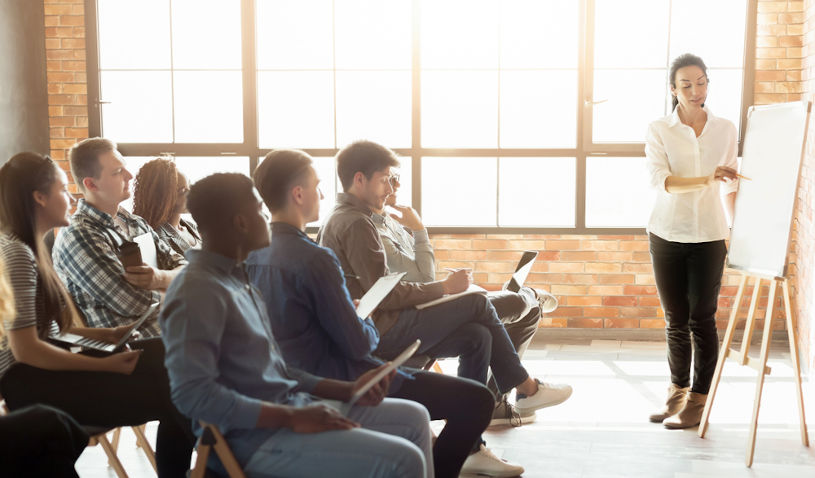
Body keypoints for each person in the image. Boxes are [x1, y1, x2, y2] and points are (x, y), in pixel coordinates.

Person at [246, 149, 522, 478]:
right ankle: (515, 393)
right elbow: (360, 344)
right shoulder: (315, 257)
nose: (323, 193)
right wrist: (358, 315)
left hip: (290, 379)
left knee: (476, 335)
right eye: (317, 185)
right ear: (298, 193)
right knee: (477, 401)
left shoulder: (250, 254)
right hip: (342, 379)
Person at [160, 172, 434, 478]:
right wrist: (291, 417)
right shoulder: (196, 290)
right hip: (251, 439)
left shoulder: (238, 278)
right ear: (241, 222)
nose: (267, 218)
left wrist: (347, 389)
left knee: (415, 417)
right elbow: (193, 395)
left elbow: (276, 369)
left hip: (291, 409)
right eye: (260, 211)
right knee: (402, 460)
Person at [318, 140, 573, 421]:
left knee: (478, 336)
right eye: (385, 181)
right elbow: (385, 295)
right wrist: (445, 288)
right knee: (476, 302)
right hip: (379, 329)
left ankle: (470, 439)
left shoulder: (350, 217)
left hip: (382, 321)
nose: (391, 189)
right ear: (359, 179)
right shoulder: (356, 223)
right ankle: (527, 388)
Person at [0, 152, 195, 477]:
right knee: (176, 384)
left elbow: (50, 331)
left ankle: (209, 458)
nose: (71, 197)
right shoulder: (18, 254)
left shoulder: (32, 246)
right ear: (40, 197)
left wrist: (103, 336)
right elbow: (25, 349)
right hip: (28, 382)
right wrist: (101, 364)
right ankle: (222, 455)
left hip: (42, 371)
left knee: (169, 359)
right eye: (63, 190)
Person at [371, 170, 559, 426]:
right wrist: (419, 230)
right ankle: (532, 295)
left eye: (396, 178)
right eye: (390, 179)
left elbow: (419, 278)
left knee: (523, 314)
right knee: (512, 303)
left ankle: (494, 401)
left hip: (425, 303)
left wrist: (448, 285)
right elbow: (424, 278)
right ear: (366, 181)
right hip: (414, 313)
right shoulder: (373, 230)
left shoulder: (390, 222)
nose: (398, 185)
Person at [645, 53, 739, 429]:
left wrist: (730, 183)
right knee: (675, 319)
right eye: (686, 84)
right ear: (673, 89)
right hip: (666, 232)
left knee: (703, 319)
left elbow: (730, 183)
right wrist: (707, 178)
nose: (696, 91)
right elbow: (660, 180)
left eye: (701, 82)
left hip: (710, 235)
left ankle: (698, 401)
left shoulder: (725, 128)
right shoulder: (659, 129)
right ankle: (676, 393)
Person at [52, 138, 186, 336]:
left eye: (125, 168)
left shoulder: (134, 222)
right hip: (138, 350)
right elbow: (134, 303)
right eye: (117, 172)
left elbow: (187, 267)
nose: (130, 176)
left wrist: (160, 277)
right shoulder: (79, 234)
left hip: (177, 335)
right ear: (91, 184)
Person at [133, 158, 201, 255]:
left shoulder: (191, 227)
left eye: (190, 186)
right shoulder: (157, 237)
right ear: (162, 196)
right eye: (183, 191)